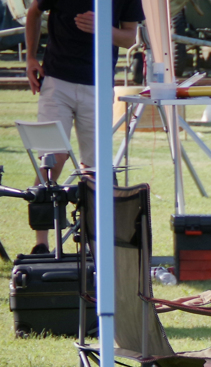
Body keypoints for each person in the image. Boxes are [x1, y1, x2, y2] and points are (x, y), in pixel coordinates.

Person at [23, 0, 141, 253]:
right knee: (51, 160)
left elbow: (130, 37)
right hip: (56, 81)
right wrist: (30, 57)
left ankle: (96, 245)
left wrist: (102, 28)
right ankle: (41, 244)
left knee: (96, 168)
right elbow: (34, 11)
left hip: (98, 85)